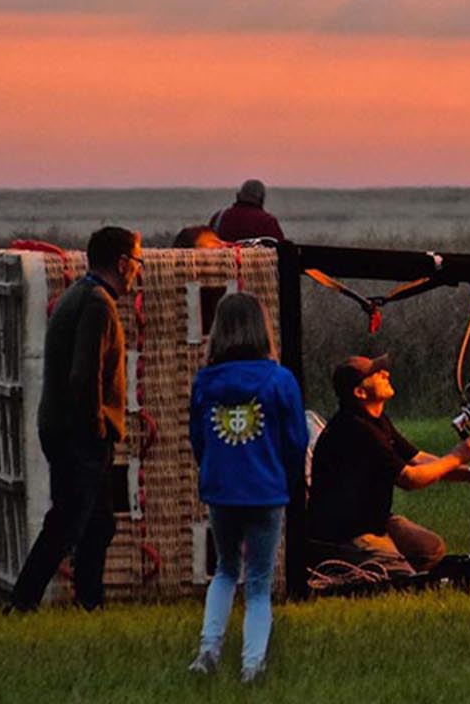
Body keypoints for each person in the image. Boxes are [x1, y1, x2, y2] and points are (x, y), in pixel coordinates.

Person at [6, 226, 141, 612]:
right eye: (137, 261)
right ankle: (22, 603)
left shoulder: (79, 294)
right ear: (122, 263)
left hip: (65, 427)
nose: (138, 271)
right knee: (67, 522)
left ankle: (89, 602)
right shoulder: (99, 304)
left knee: (98, 523)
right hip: (79, 433)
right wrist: (97, 427)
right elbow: (85, 374)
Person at [187, 292, 308, 684]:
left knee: (225, 569)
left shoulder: (205, 383)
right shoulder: (280, 381)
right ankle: (252, 665)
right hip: (267, 491)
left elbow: (198, 438)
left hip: (222, 491)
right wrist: (288, 480)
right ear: (262, 329)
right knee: (258, 582)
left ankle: (208, 649)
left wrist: (212, 471)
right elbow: (296, 441)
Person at [306, 353, 470, 572]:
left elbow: (418, 459)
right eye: (375, 374)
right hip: (344, 533)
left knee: (430, 549)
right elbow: (410, 478)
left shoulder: (376, 419)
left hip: (375, 520)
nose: (386, 374)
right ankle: (343, 566)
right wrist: (457, 456)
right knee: (400, 577)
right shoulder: (355, 429)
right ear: (360, 392)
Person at [210, 180, 284, 243]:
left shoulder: (218, 218)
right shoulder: (268, 222)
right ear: (262, 199)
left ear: (238, 195)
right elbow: (282, 250)